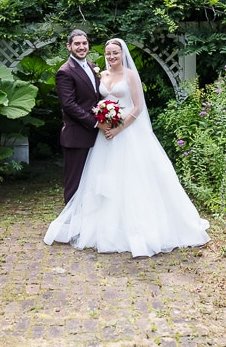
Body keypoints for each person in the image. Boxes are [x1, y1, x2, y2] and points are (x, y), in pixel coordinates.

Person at [45, 37, 210, 258]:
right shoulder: (100, 75)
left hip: (127, 134)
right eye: (108, 53)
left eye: (115, 52)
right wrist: (102, 120)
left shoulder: (131, 75)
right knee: (103, 179)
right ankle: (102, 226)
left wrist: (118, 128)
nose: (112, 56)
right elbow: (90, 102)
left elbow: (138, 107)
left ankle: (139, 227)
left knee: (133, 178)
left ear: (122, 54)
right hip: (104, 137)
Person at [55, 29, 102, 203]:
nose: (81, 47)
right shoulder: (65, 71)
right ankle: (70, 226)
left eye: (84, 43)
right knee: (75, 184)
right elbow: (68, 105)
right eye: (77, 44)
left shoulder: (92, 66)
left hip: (96, 136)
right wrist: (95, 123)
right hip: (77, 136)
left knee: (93, 182)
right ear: (69, 46)